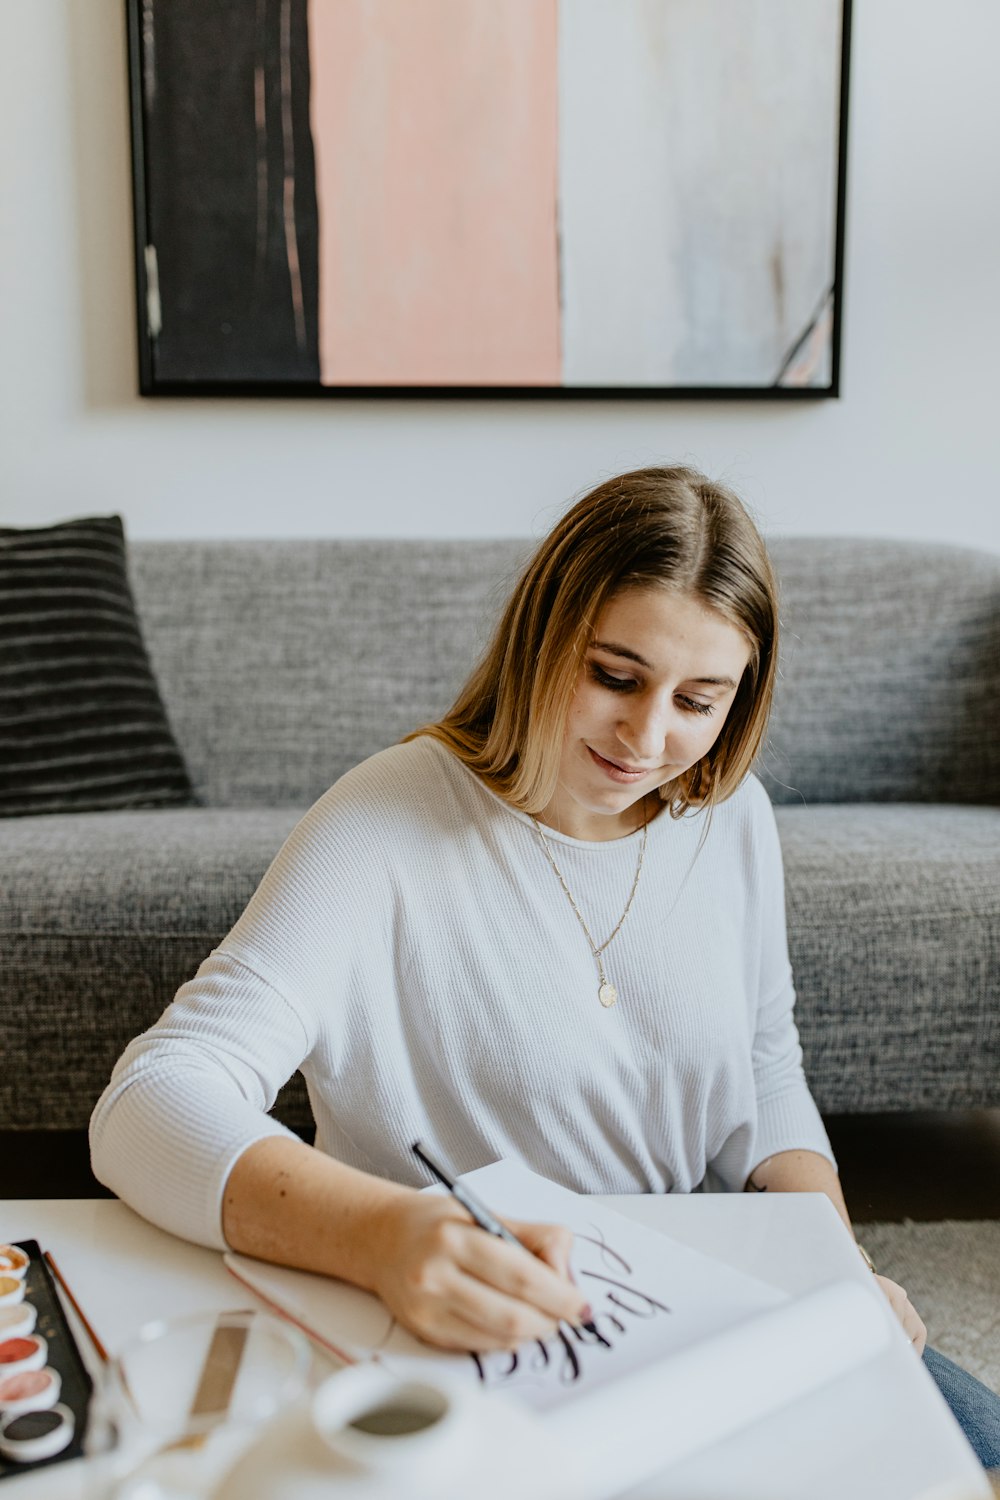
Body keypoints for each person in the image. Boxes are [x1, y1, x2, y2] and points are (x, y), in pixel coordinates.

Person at [90, 466, 1000, 1467]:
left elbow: (763, 1062)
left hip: (702, 1298)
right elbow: (147, 1105)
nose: (649, 740)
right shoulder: (383, 823)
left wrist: (834, 1258)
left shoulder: (732, 817)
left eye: (699, 700)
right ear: (541, 638)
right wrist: (388, 1236)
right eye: (613, 676)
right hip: (472, 1337)